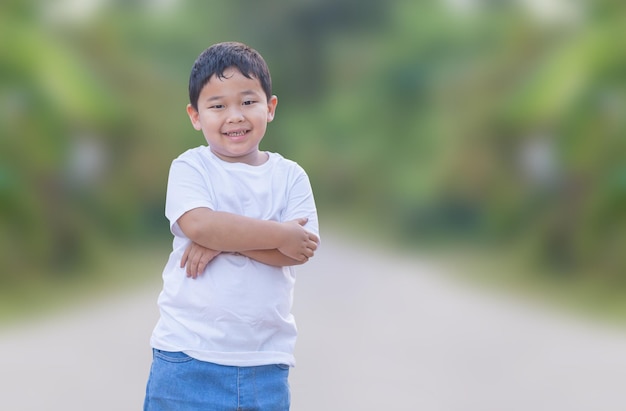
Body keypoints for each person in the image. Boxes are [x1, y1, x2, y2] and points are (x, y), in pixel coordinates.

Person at [143, 42, 320, 411]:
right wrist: (277, 233)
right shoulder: (191, 167)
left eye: (248, 102)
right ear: (195, 116)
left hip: (264, 364)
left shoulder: (290, 176)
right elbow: (199, 224)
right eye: (218, 106)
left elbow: (299, 249)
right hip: (185, 357)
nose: (234, 116)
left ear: (270, 107)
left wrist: (226, 240)